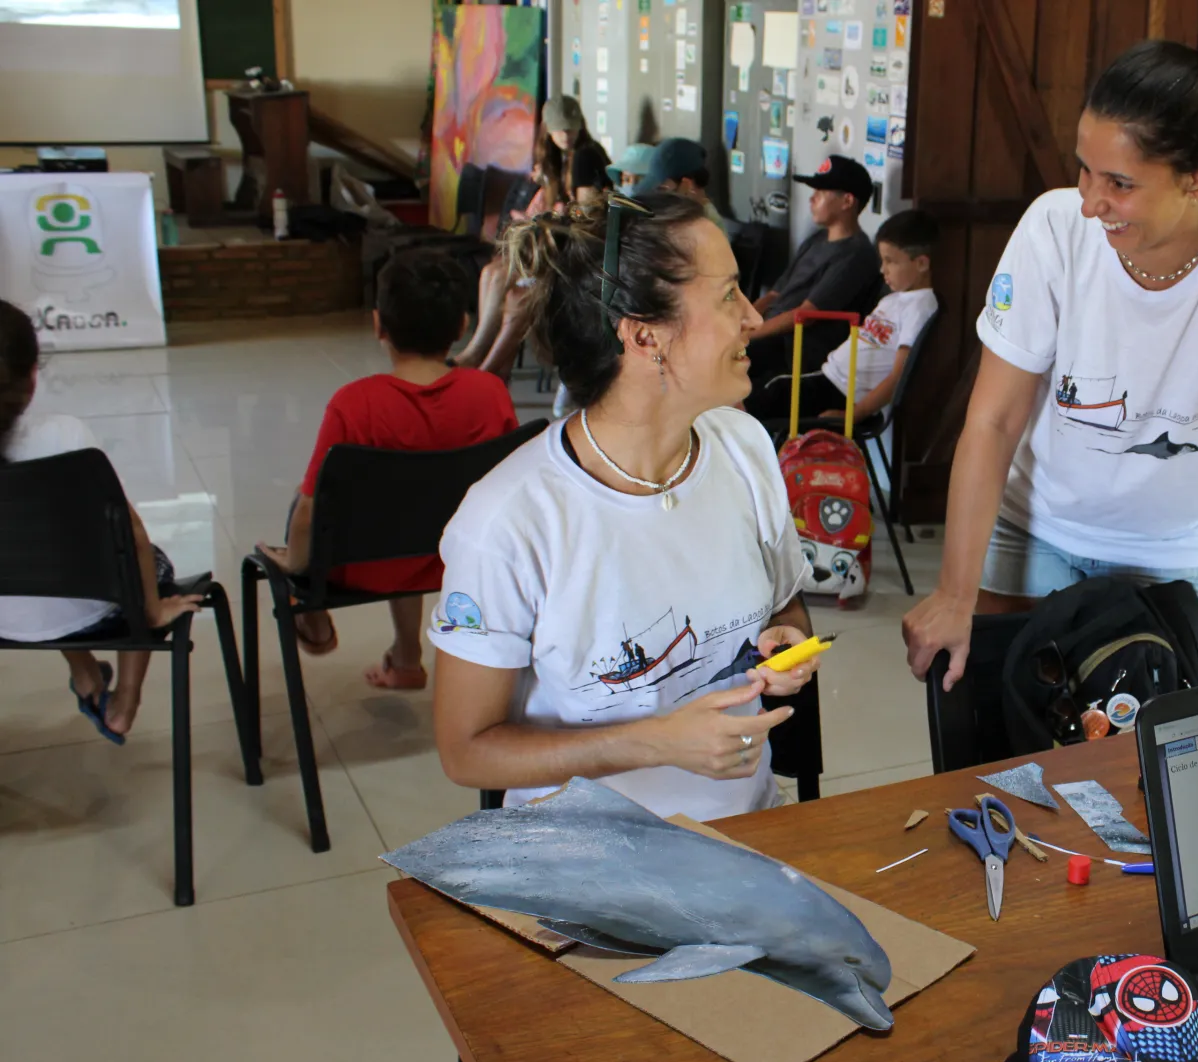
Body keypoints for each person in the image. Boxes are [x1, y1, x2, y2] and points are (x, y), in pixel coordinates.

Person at [903, 13, 1198, 689]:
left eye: (1120, 184)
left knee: (1147, 777)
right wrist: (956, 593)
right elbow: (992, 424)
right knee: (1007, 757)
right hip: (1032, 536)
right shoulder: (1052, 230)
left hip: (1172, 557)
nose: (1090, 202)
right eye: (1084, 171)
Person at [429, 192, 820, 819]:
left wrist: (787, 645)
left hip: (745, 836)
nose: (751, 317)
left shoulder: (742, 446)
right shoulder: (509, 520)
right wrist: (653, 744)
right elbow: (466, 751)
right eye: (727, 295)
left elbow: (786, 605)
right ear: (644, 336)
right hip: (581, 869)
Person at [253, 249, 519, 691]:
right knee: (418, 502)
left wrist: (297, 567)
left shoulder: (355, 403)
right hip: (461, 558)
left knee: (306, 513)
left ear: (379, 326)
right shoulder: (490, 393)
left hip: (368, 565)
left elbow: (309, 513)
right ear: (462, 326)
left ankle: (310, 607)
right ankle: (407, 657)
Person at [0, 300, 202, 743]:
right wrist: (152, 610)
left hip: (5, 614)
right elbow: (130, 536)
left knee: (38, 557)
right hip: (80, 605)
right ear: (32, 376)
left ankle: (86, 674)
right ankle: (124, 703)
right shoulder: (65, 437)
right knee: (130, 561)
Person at [454, 97, 610, 374]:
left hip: (575, 251)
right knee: (491, 273)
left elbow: (587, 217)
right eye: (560, 129)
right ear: (547, 129)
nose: (566, 135)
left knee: (504, 279)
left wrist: (558, 212)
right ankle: (477, 351)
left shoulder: (586, 155)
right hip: (553, 243)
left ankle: (478, 359)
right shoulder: (554, 159)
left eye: (571, 128)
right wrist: (549, 191)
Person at [744, 208, 938, 423]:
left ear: (921, 263)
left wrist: (853, 416)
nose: (883, 270)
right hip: (830, 378)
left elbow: (899, 376)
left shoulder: (920, 307)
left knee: (761, 398)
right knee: (757, 389)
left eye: (891, 261)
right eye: (882, 261)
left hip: (843, 394)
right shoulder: (892, 299)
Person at [744, 155, 882, 372]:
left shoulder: (856, 255)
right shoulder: (816, 239)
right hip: (770, 336)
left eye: (822, 193)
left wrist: (747, 337)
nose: (812, 199)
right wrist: (742, 322)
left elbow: (806, 315)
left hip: (793, 349)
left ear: (847, 201)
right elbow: (774, 295)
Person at [632, 137, 737, 238]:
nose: (658, 197)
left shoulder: (707, 231)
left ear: (687, 185)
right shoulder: (685, 219)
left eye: (663, 190)